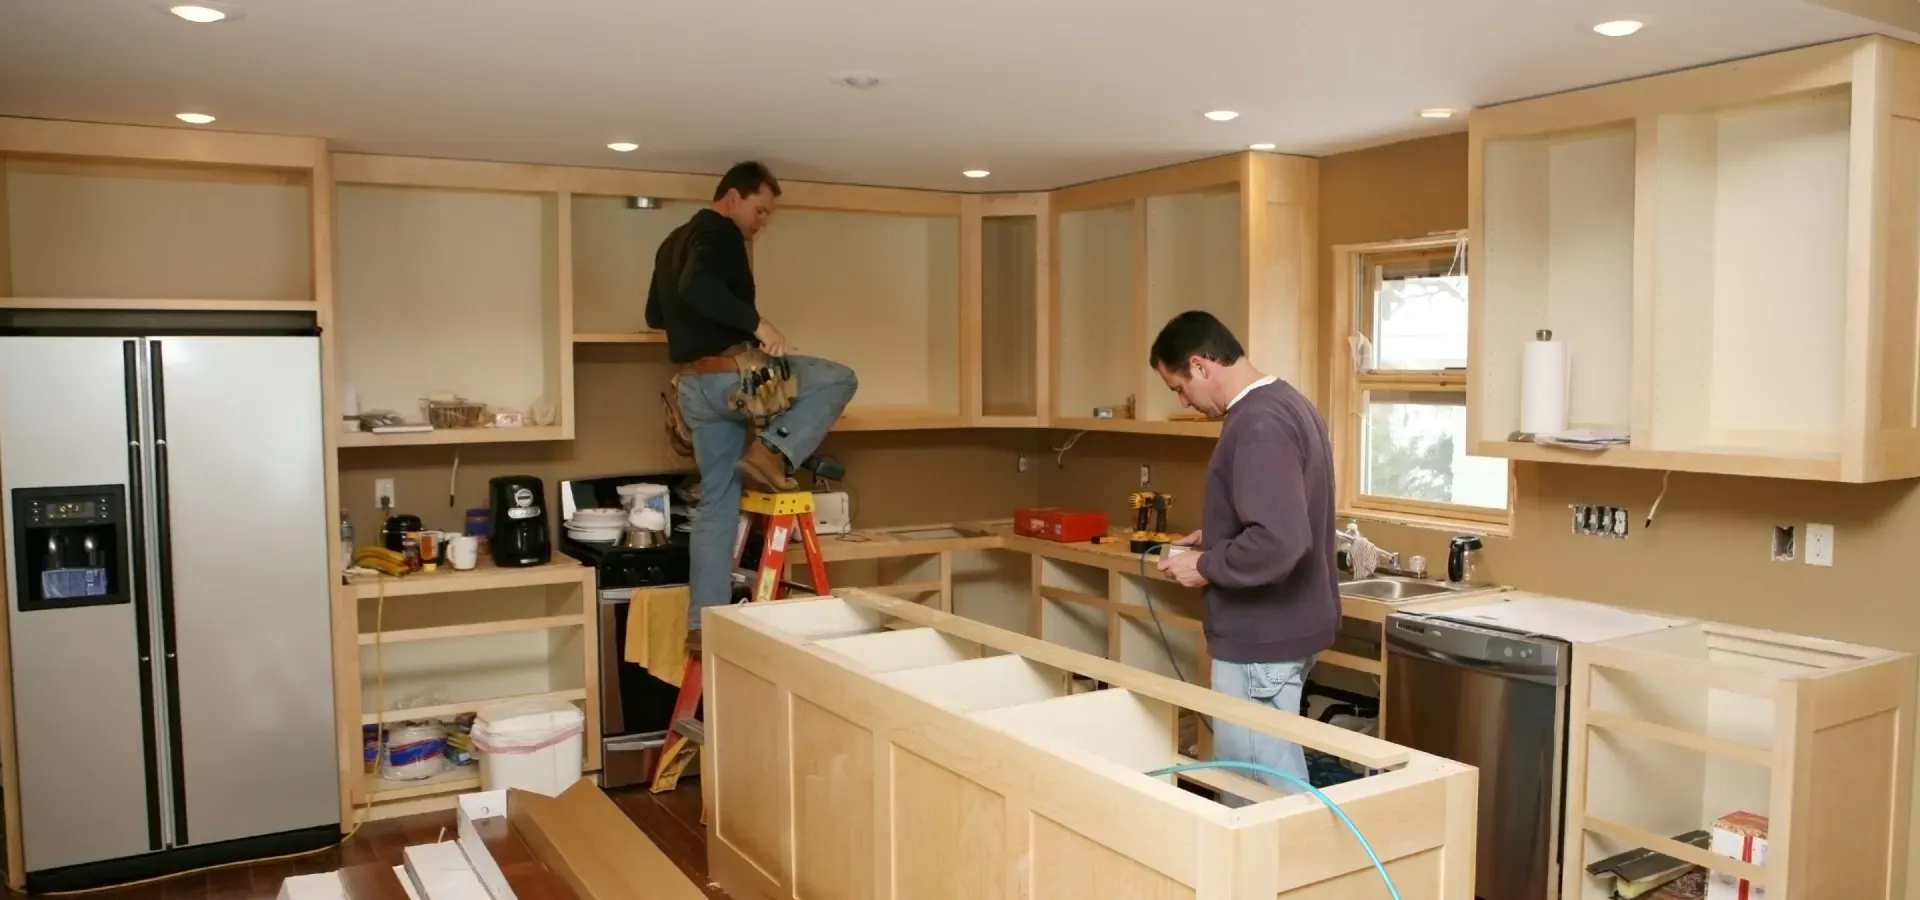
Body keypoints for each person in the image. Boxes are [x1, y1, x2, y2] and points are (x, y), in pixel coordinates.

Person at [645, 161, 859, 627]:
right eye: (760, 210)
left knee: (716, 505)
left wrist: (697, 323)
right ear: (733, 197)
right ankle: (772, 453)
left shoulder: (671, 243)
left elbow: (655, 315)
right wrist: (759, 325)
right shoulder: (718, 231)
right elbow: (698, 285)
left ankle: (703, 624)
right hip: (732, 378)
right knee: (839, 378)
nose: (762, 222)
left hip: (693, 389)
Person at [1148, 310, 1338, 797]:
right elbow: (1282, 515)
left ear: (1200, 364)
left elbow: (1280, 540)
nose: (1184, 401)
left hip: (1259, 639)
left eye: (1179, 388)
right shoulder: (1288, 403)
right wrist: (1216, 535)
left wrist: (1206, 565)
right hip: (1283, 630)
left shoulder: (1258, 423)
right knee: (1270, 783)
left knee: (1257, 795)